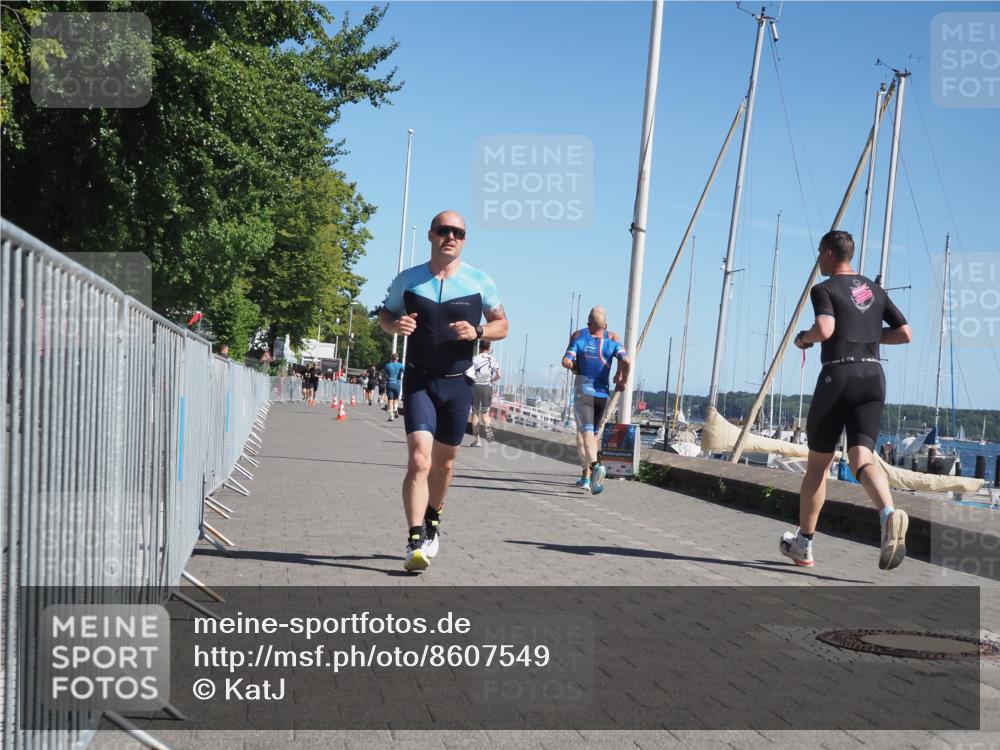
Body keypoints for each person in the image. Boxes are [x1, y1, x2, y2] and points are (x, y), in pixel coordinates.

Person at [378, 210, 508, 572]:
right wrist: (395, 325)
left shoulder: (480, 281)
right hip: (419, 380)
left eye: (458, 232)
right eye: (444, 230)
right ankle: (414, 540)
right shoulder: (408, 279)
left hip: (458, 384)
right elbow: (385, 315)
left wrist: (479, 331)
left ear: (464, 240)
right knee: (420, 460)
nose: (451, 236)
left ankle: (433, 517)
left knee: (445, 463)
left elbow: (502, 325)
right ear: (431, 235)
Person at [781, 230, 912, 571]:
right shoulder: (875, 290)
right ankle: (888, 514)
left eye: (819, 253)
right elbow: (905, 333)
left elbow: (825, 329)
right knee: (862, 459)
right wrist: (869, 336)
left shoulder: (824, 289)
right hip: (873, 377)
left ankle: (803, 545)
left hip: (838, 376)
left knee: (818, 466)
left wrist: (803, 339)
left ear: (828, 254)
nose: (818, 260)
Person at [561, 306, 629, 496]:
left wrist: (574, 367)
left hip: (583, 392)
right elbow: (625, 360)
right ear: (605, 324)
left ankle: (591, 470)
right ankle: (587, 476)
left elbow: (567, 361)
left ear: (588, 322)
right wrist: (621, 378)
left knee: (584, 435)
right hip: (602, 395)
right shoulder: (611, 339)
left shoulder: (579, 337)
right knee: (590, 436)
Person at [469, 339, 501, 447]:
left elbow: (469, 374)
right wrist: (492, 380)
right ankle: (487, 425)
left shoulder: (474, 359)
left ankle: (477, 440)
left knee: (475, 413)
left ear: (479, 347)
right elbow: (499, 375)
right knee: (485, 414)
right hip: (487, 387)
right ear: (489, 347)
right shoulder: (493, 359)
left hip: (476, 387)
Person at [384, 353, 404, 421]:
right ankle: (395, 408)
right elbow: (405, 372)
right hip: (397, 383)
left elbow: (385, 375)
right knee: (396, 398)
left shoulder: (388, 365)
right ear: (397, 358)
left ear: (391, 358)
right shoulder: (400, 365)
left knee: (390, 399)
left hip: (390, 383)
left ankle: (391, 416)